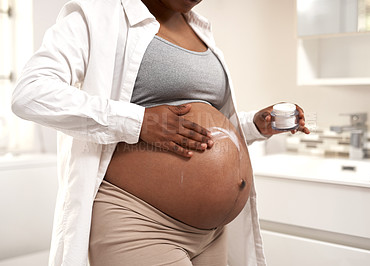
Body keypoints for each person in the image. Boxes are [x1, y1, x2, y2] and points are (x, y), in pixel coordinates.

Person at [11, 0, 310, 265]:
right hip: (139, 222)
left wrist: (253, 126)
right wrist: (139, 122)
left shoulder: (199, 28)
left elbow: (194, 124)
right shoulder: (96, 15)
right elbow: (31, 94)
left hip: (211, 234)